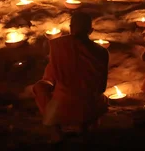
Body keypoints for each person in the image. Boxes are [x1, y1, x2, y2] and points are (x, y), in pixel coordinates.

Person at [32, 12, 109, 142]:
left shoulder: (58, 46)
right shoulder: (102, 52)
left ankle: (55, 130)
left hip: (62, 105)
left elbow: (50, 78)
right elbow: (102, 87)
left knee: (39, 87)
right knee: (103, 99)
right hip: (89, 104)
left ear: (71, 28)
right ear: (90, 30)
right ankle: (85, 128)